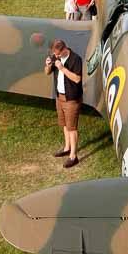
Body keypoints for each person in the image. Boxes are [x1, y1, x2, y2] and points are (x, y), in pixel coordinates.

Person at [46, 39, 83, 168]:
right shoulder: (55, 56)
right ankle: (67, 148)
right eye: (54, 54)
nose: (55, 56)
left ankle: (73, 156)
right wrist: (48, 65)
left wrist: (62, 68)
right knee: (64, 124)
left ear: (64, 50)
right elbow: (47, 72)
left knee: (72, 127)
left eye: (57, 54)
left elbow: (77, 79)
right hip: (59, 97)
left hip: (71, 99)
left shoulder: (75, 59)